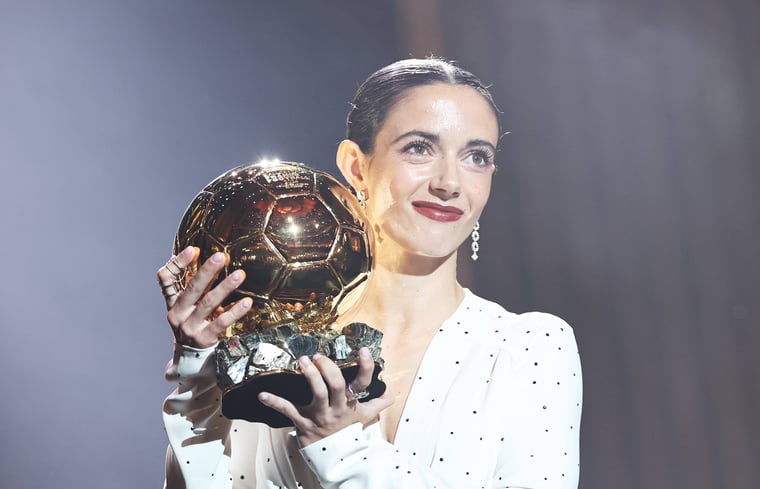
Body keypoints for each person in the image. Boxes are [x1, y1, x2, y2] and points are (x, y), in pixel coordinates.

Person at [158, 58, 583, 489]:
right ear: (356, 165)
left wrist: (339, 447)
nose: (449, 182)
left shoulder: (529, 347)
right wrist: (196, 371)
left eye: (476, 156)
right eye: (419, 147)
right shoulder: (280, 338)